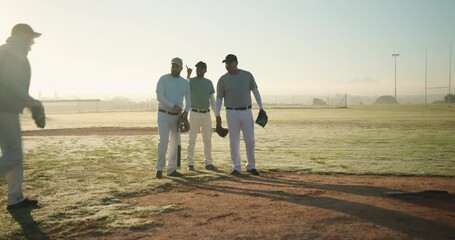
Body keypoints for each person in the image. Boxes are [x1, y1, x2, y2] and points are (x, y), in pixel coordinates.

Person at [0, 23, 42, 210]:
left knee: (13, 152)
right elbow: (9, 83)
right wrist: (31, 102)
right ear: (23, 35)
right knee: (14, 154)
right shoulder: (13, 52)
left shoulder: (6, 50)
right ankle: (15, 197)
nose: (33, 41)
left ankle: (15, 198)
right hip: (4, 109)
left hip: (6, 108)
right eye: (31, 37)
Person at [215, 54, 265, 176]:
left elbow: (255, 91)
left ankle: (251, 166)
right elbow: (219, 98)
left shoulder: (247, 75)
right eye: (226, 63)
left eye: (229, 63)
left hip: (247, 111)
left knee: (250, 140)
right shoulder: (222, 79)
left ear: (236, 63)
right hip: (231, 112)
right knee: (234, 140)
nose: (227, 66)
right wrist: (217, 114)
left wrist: (261, 108)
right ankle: (236, 167)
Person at [155, 57, 191, 178]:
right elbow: (159, 96)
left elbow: (188, 99)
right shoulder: (163, 79)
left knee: (175, 143)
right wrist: (172, 105)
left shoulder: (184, 83)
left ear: (181, 68)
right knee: (163, 141)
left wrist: (186, 111)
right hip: (163, 114)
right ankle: (159, 169)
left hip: (177, 117)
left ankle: (171, 169)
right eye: (173, 66)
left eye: (177, 66)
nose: (174, 68)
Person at [185, 61, 218, 171]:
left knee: (207, 139)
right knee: (192, 139)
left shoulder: (209, 82)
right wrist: (188, 75)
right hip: (194, 113)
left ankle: (208, 162)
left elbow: (212, 100)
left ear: (205, 70)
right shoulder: (191, 81)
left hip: (206, 114)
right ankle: (190, 163)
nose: (199, 69)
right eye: (197, 68)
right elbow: (185, 87)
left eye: (201, 68)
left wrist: (216, 114)